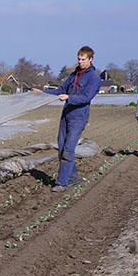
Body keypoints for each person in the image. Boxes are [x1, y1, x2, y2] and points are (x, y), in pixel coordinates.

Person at [34, 46, 102, 191]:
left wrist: (69, 97)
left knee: (68, 149)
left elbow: (86, 97)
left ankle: (62, 183)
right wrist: (42, 94)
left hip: (79, 116)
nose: (80, 62)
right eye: (79, 59)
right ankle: (73, 179)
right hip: (66, 114)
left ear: (91, 59)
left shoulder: (94, 78)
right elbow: (60, 90)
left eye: (83, 59)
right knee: (61, 149)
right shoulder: (74, 75)